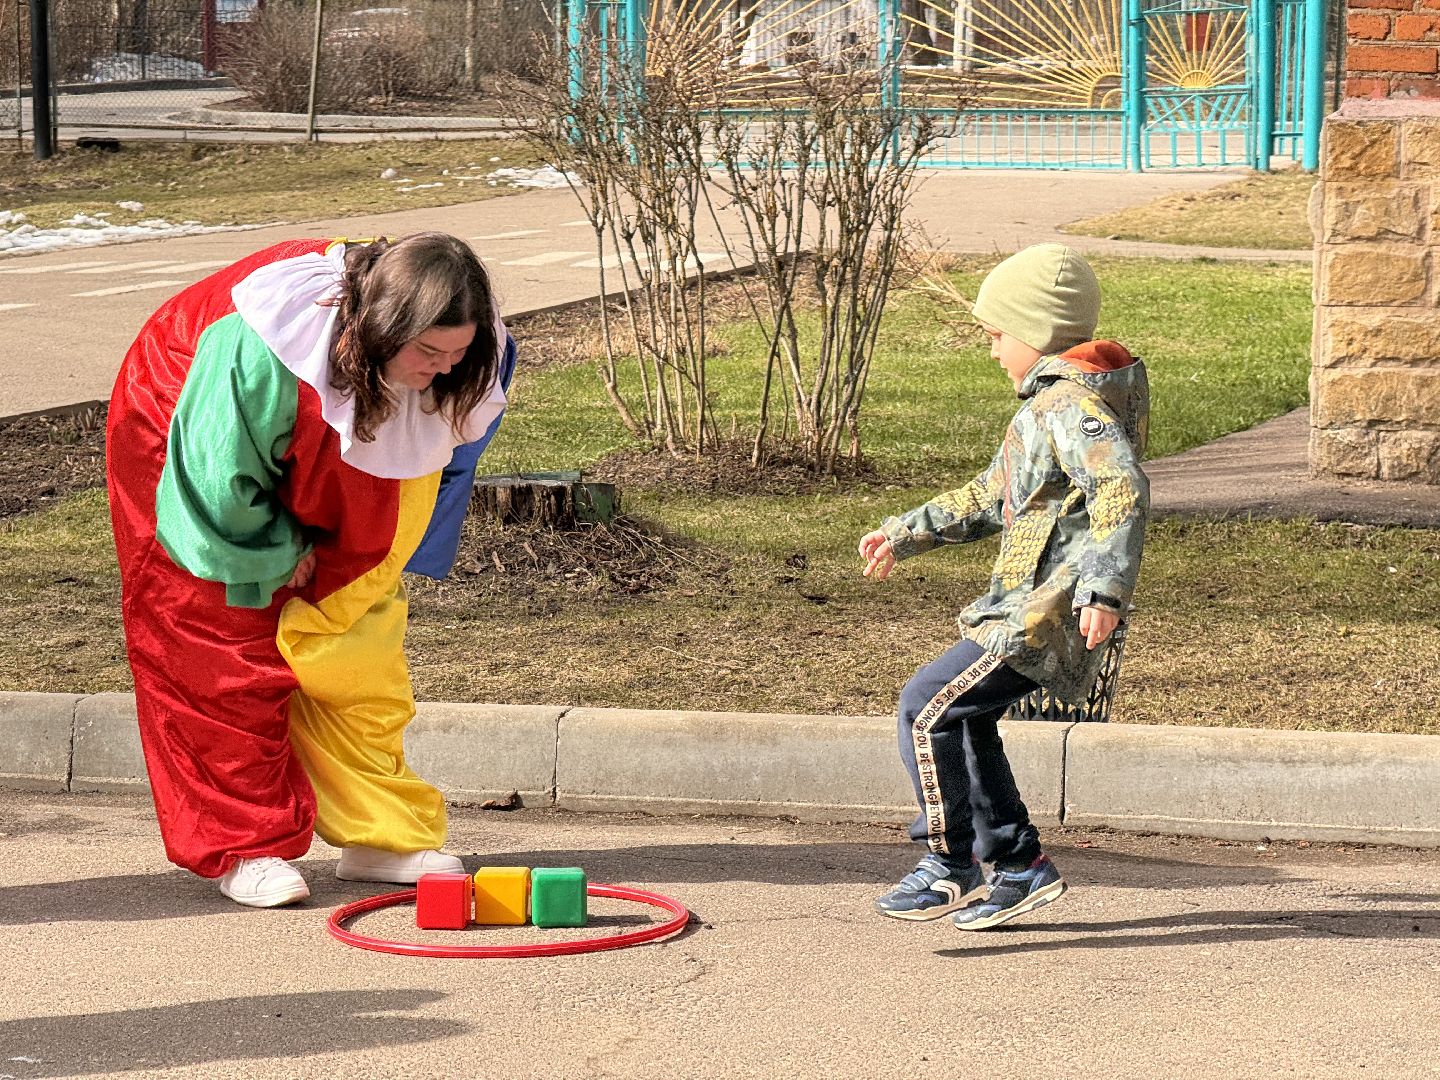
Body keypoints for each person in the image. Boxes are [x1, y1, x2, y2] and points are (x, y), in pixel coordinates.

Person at [107, 232, 517, 908]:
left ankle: (379, 831)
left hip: (350, 407)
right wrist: (275, 550)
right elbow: (211, 485)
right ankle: (245, 842)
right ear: (385, 329)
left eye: (456, 353)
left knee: (357, 627)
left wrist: (354, 557)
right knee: (219, 636)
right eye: (428, 352)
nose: (443, 368)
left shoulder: (471, 360)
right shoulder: (255, 348)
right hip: (186, 419)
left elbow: (446, 461)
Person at [857, 243, 1149, 931]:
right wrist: (905, 533)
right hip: (1031, 604)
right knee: (967, 716)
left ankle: (948, 862)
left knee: (926, 706)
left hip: (1049, 609)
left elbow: (1121, 486)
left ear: (1036, 332)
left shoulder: (1069, 406)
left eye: (996, 334)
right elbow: (995, 494)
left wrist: (1104, 590)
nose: (992, 350)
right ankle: (1019, 866)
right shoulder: (1050, 405)